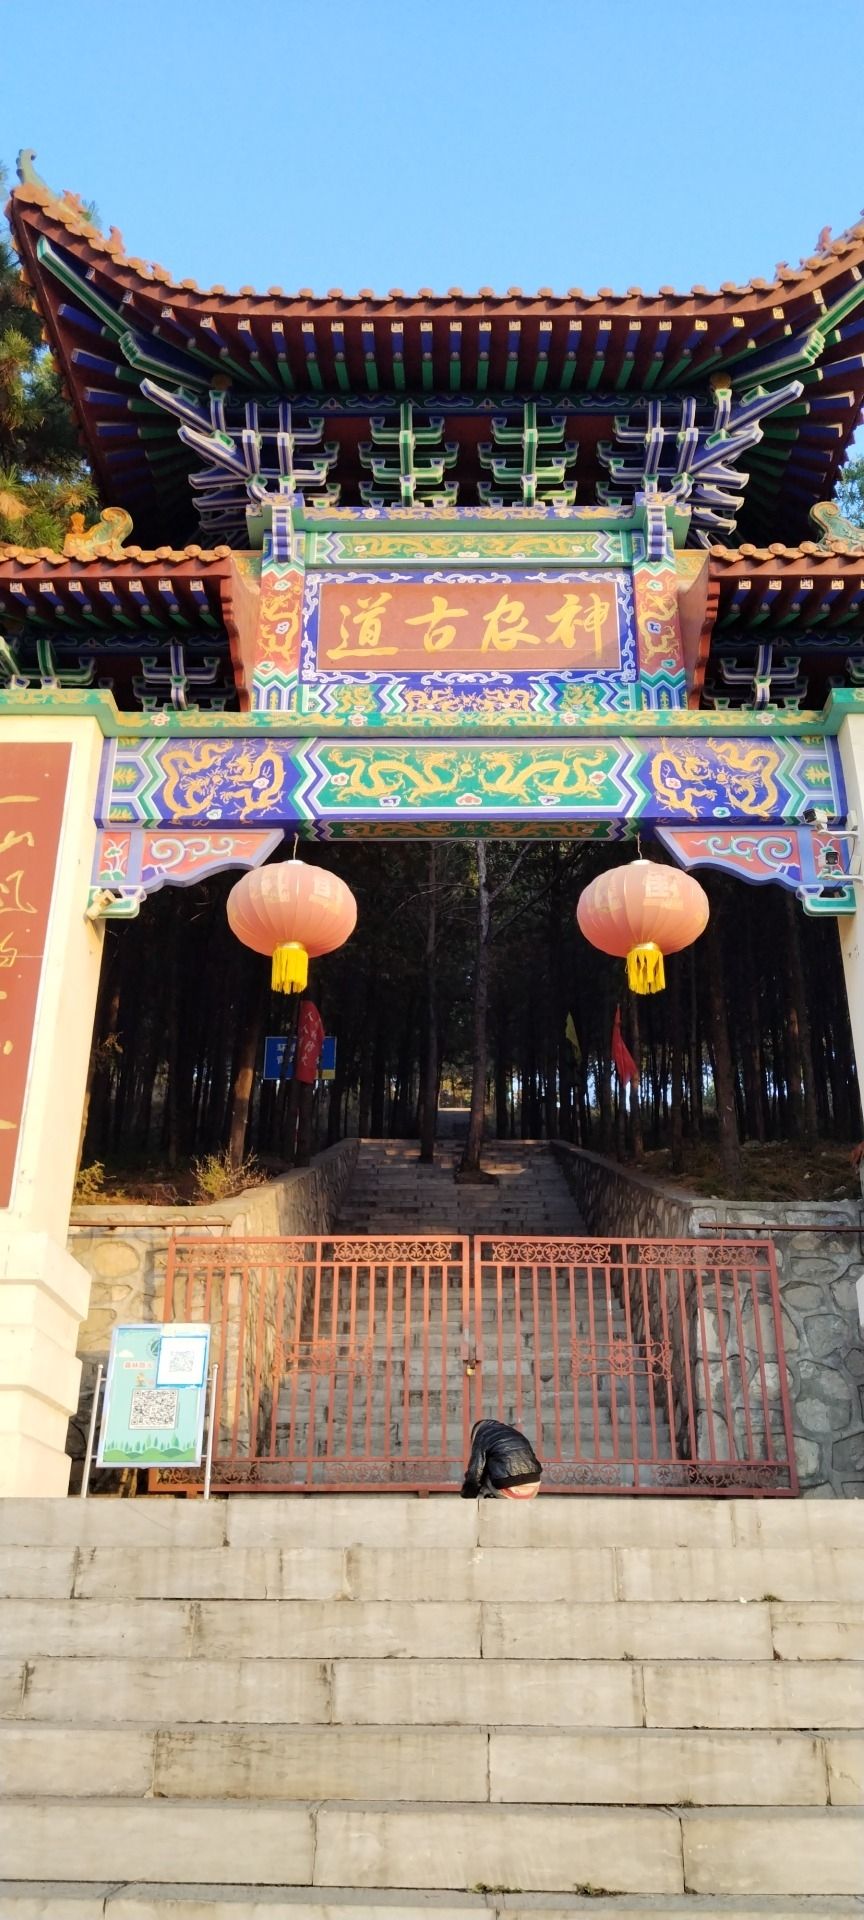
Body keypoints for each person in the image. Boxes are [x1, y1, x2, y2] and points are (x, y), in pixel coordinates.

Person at [460, 1418, 542, 1499]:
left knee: (482, 1469)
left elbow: (475, 1474)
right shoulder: (514, 1432)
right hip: (533, 1487)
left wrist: (468, 1497)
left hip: (508, 1490)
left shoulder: (482, 1435)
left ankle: (490, 1498)